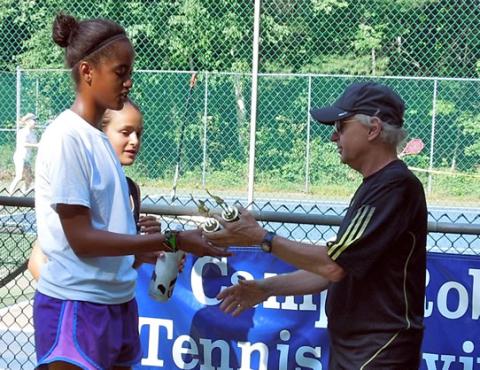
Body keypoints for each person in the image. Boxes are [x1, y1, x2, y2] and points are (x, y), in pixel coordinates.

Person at [33, 13, 229, 370]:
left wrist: (144, 254)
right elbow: (82, 240)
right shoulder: (66, 137)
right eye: (120, 73)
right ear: (88, 71)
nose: (128, 83)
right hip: (77, 305)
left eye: (129, 74)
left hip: (118, 303)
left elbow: (108, 237)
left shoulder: (100, 141)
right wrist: (172, 241)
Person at [206, 82, 428, 369]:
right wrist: (267, 287)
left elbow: (332, 266)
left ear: (373, 129)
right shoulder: (377, 186)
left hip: (380, 351)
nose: (334, 136)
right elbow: (334, 271)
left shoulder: (395, 186)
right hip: (358, 348)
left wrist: (260, 237)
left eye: (341, 125)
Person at [28, 99, 168, 280]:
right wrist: (67, 299)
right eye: (125, 132)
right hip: (79, 303)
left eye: (139, 134)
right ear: (101, 134)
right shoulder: (83, 175)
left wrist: (147, 251)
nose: (134, 141)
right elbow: (36, 260)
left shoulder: (131, 189)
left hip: (114, 303)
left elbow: (120, 267)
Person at [8, 113, 38, 194]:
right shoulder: (23, 132)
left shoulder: (33, 134)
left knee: (29, 179)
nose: (35, 122)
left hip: (26, 158)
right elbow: (23, 144)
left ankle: (23, 194)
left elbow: (35, 146)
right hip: (20, 157)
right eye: (34, 120)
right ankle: (9, 195)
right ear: (27, 121)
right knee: (19, 176)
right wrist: (37, 145)